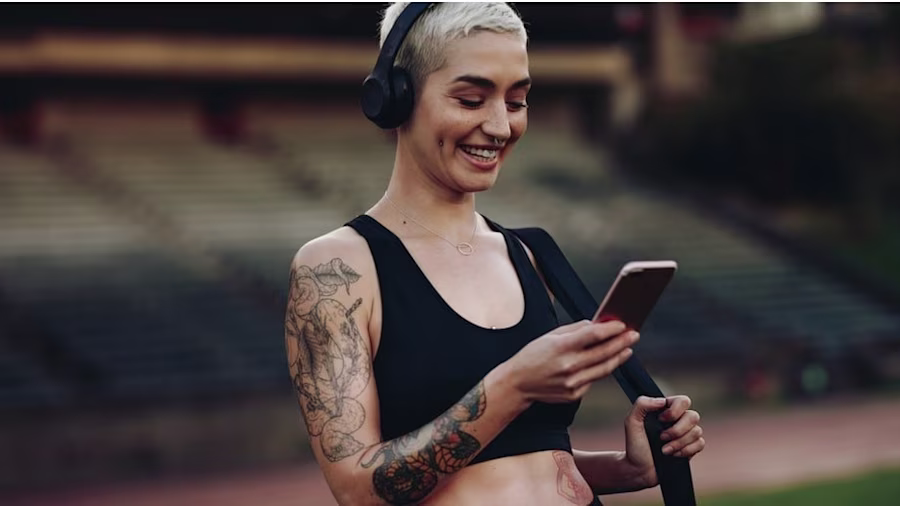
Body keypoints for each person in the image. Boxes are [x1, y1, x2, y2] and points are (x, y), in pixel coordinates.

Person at [283, 3, 704, 505]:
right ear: (396, 97)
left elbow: (520, 459)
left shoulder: (531, 253)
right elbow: (359, 491)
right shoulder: (337, 270)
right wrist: (513, 386)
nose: (501, 127)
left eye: (517, 101)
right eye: (471, 99)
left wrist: (627, 468)